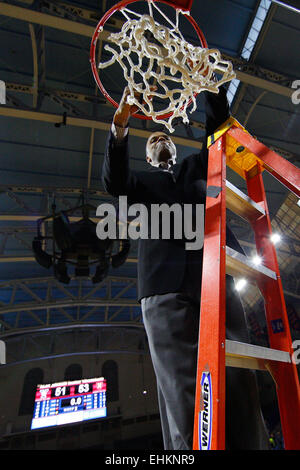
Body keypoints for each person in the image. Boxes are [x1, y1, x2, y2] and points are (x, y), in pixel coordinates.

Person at [102, 84, 269, 450]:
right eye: (151, 140)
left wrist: (212, 86)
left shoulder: (197, 167)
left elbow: (217, 129)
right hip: (165, 289)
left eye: (164, 136)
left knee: (239, 378)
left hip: (217, 276)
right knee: (184, 389)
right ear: (148, 158)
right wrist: (120, 126)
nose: (159, 139)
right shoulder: (141, 183)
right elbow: (114, 181)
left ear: (174, 148)